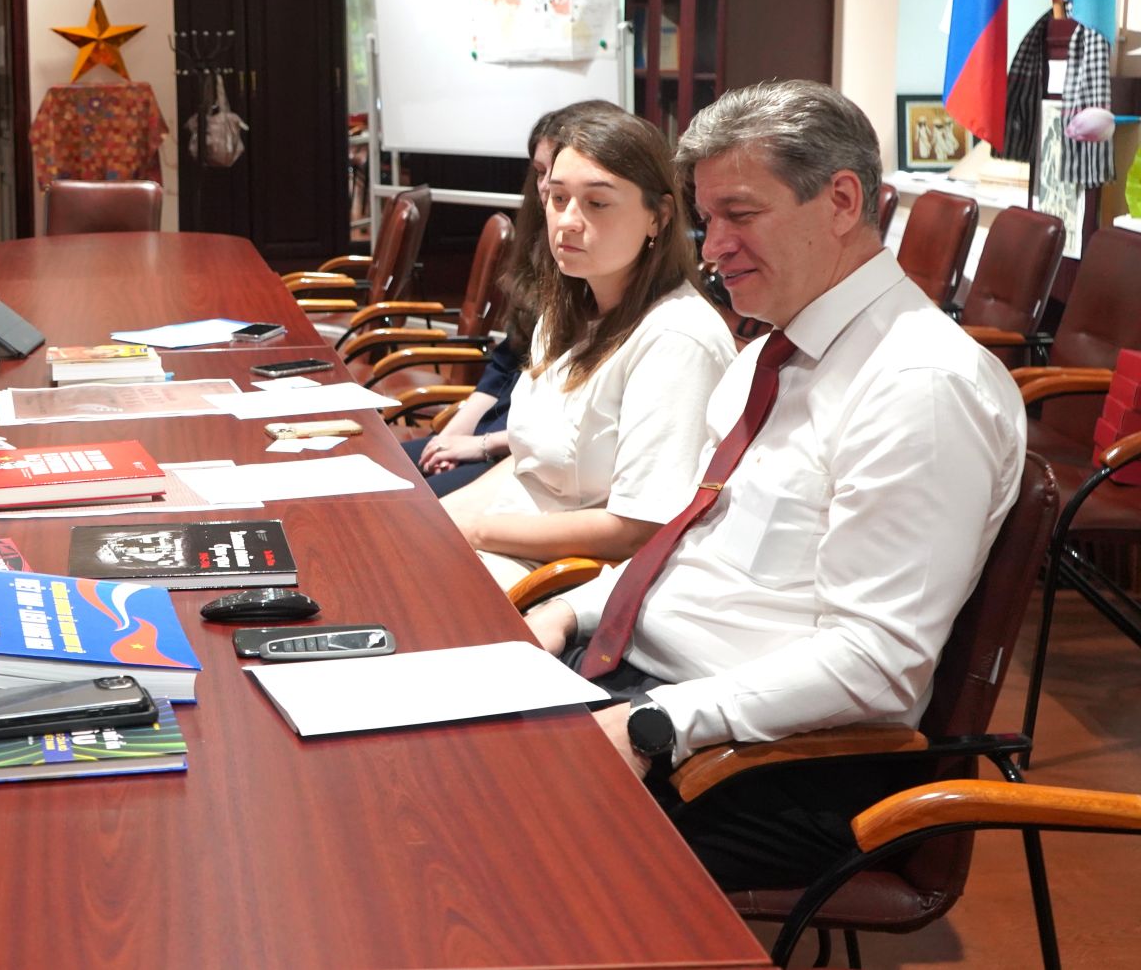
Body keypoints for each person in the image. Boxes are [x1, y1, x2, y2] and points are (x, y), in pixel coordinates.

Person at [521, 80, 1025, 891]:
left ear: (842, 200)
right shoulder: (769, 352)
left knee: (473, 829)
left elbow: (877, 663)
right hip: (651, 689)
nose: (712, 246)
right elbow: (692, 545)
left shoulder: (920, 385)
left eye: (740, 214)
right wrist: (571, 611)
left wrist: (657, 722)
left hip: (768, 758)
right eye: (706, 217)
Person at [442, 106, 736, 588]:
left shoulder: (676, 339)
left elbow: (638, 529)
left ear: (658, 217)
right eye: (558, 198)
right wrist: (437, 516)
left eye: (597, 203)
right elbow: (530, 467)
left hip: (571, 576)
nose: (568, 222)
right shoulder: (565, 311)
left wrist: (473, 529)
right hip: (510, 535)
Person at [402, 100, 622, 496]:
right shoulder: (547, 255)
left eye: (593, 200)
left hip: (528, 454)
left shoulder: (605, 282)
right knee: (382, 470)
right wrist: (453, 436)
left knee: (408, 507)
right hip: (503, 429)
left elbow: (568, 426)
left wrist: (482, 444)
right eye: (541, 174)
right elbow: (508, 358)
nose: (546, 186)